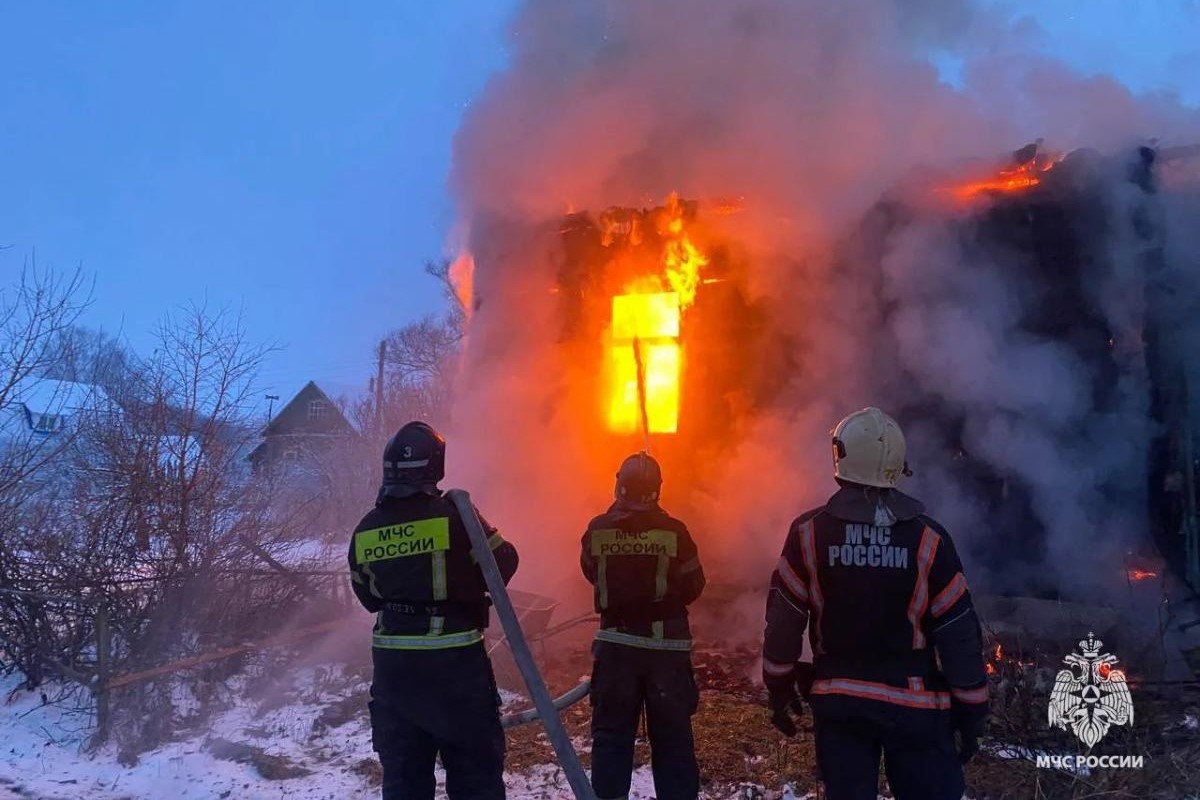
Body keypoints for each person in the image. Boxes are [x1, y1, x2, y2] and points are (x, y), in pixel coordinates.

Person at [760, 407, 989, 800]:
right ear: (897, 464)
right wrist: (971, 710)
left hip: (840, 703)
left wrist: (778, 684)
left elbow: (783, 620)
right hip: (917, 706)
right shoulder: (930, 540)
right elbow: (959, 633)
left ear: (842, 457)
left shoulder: (809, 534)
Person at [348, 421, 519, 800]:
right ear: (435, 466)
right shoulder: (457, 515)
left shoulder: (366, 528)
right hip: (455, 671)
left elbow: (368, 597)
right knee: (475, 779)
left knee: (404, 781)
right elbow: (504, 562)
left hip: (395, 678)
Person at [580, 452, 706, 800]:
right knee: (673, 741)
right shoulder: (675, 532)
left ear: (619, 484)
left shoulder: (598, 530)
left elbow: (590, 570)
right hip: (667, 654)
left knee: (611, 739)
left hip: (616, 650)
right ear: (657, 489)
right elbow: (695, 584)